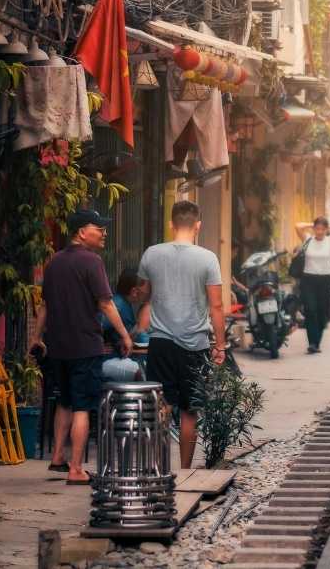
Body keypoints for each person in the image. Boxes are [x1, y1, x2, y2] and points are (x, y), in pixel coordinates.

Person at [30, 209, 132, 484]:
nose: (104, 232)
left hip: (58, 347)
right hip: (85, 346)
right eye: (98, 227)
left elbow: (45, 306)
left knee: (64, 400)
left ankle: (57, 457)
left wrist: (37, 337)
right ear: (81, 232)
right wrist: (124, 335)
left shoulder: (53, 263)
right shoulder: (92, 262)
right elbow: (106, 303)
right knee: (82, 407)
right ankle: (76, 468)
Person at [139, 201, 225, 470]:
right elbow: (217, 306)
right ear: (198, 225)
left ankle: (159, 468)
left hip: (160, 343)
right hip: (195, 345)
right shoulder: (208, 258)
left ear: (171, 224)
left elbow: (144, 294)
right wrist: (220, 345)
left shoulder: (151, 254)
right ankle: (185, 470)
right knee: (190, 411)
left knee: (161, 406)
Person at [294, 217, 330, 354]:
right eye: (317, 228)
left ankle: (317, 342)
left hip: (325, 280)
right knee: (310, 310)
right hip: (308, 279)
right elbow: (298, 225)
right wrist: (310, 224)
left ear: (326, 229)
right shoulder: (308, 239)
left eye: (322, 229)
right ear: (314, 229)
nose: (319, 232)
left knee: (322, 312)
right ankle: (312, 343)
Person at [98, 268, 147, 382]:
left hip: (119, 358)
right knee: (141, 372)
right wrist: (96, 347)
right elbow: (95, 325)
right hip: (107, 360)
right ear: (134, 291)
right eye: (145, 289)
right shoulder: (118, 305)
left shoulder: (125, 303)